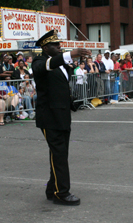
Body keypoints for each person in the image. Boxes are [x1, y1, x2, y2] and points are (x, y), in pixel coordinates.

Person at [32, 29, 91, 206]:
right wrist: (69, 54)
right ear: (45, 47)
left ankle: (52, 188)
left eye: (60, 44)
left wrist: (71, 100)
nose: (59, 47)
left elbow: (59, 87)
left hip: (62, 115)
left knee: (59, 154)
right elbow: (46, 66)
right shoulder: (39, 61)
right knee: (59, 154)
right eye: (55, 45)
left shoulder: (62, 66)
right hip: (49, 117)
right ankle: (61, 193)